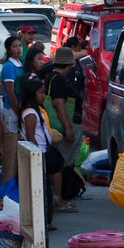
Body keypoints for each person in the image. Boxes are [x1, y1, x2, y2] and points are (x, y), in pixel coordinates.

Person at [18, 77, 63, 229]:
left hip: (43, 152)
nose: (44, 96)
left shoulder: (36, 110)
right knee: (43, 190)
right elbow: (31, 137)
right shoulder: (30, 113)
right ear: (32, 94)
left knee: (45, 188)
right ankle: (44, 221)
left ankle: (46, 220)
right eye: (41, 93)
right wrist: (38, 155)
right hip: (38, 155)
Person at [44, 47, 83, 179]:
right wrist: (68, 128)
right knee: (64, 161)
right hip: (63, 127)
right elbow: (58, 103)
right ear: (70, 64)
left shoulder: (51, 76)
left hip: (59, 126)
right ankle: (62, 194)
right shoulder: (59, 79)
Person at [0, 36, 24, 184]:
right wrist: (18, 111)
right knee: (11, 147)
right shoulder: (9, 67)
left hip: (19, 109)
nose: (19, 49)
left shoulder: (20, 64)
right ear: (9, 49)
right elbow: (10, 92)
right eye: (15, 46)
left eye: (20, 46)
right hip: (11, 110)